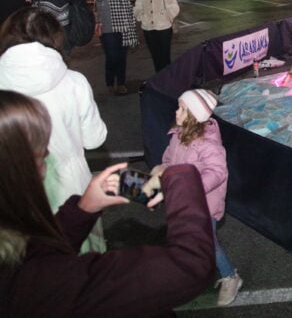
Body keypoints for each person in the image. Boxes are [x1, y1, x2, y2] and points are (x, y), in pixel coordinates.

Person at [0, 90, 216, 317]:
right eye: (40, 157)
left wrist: (82, 209)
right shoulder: (43, 284)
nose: (47, 157)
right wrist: (177, 174)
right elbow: (190, 265)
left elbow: (34, 252)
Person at [0, 7, 108, 252]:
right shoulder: (73, 81)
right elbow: (94, 138)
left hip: (16, 193)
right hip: (72, 189)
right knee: (81, 266)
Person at [147, 88, 242, 307]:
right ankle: (190, 272)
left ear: (194, 117)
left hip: (204, 205)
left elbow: (218, 172)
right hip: (182, 200)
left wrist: (192, 186)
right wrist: (162, 169)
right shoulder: (178, 135)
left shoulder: (209, 145)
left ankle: (230, 276)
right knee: (184, 238)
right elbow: (169, 158)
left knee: (209, 243)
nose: (176, 111)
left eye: (182, 108)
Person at [93, 0, 138, 95]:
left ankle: (121, 83)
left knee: (122, 58)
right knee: (112, 57)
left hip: (125, 28)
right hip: (109, 30)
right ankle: (110, 82)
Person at [134, 0, 180, 72]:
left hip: (164, 28)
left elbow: (174, 6)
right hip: (148, 28)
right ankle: (159, 79)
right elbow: (137, 7)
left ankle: (167, 80)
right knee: (155, 57)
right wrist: (141, 16)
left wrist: (167, 16)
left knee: (165, 57)